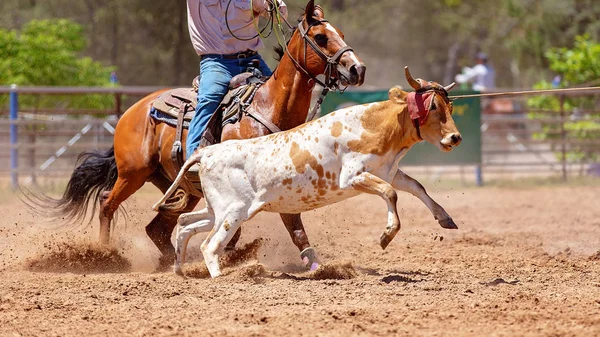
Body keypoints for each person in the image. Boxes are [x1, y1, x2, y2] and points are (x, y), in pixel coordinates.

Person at [185, 0, 288, 159]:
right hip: (216, 63)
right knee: (209, 99)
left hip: (252, 60)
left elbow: (279, 16)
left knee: (282, 94)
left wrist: (271, 5)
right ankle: (194, 159)